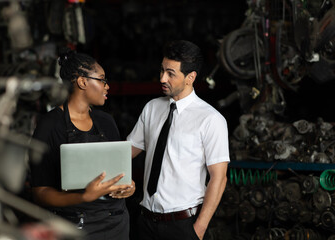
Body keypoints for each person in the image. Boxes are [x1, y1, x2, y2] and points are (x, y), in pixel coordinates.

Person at [127, 40, 229, 240]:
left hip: (183, 225)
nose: (162, 78)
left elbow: (219, 177)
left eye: (171, 74)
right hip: (146, 221)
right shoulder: (152, 108)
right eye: (162, 70)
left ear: (190, 77)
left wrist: (198, 229)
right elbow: (127, 151)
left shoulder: (211, 119)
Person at [30, 48, 135, 240]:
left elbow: (118, 171)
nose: (107, 86)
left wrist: (128, 186)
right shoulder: (49, 125)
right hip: (75, 224)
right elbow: (40, 192)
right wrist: (84, 197)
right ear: (82, 82)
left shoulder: (106, 121)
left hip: (116, 222)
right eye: (102, 80)